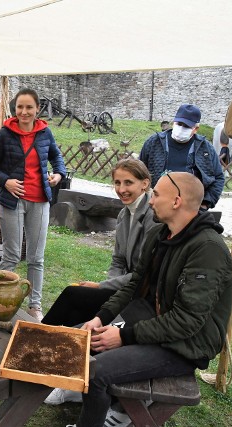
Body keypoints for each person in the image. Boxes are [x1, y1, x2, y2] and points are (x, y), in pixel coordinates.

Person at [67, 172, 232, 427]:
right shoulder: (160, 234)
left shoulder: (208, 249)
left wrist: (123, 336)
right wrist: (101, 317)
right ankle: (106, 404)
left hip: (184, 345)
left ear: (176, 201)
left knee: (95, 370)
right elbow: (133, 286)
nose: (151, 200)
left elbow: (187, 322)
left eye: (155, 194)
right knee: (77, 340)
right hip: (151, 321)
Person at [42, 158, 156, 405]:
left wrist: (103, 288)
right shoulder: (125, 213)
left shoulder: (152, 216)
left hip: (142, 294)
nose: (122, 188)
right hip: (125, 288)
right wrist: (107, 289)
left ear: (145, 184)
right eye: (117, 182)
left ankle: (39, 348)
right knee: (77, 299)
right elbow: (117, 261)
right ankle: (65, 372)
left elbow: (143, 275)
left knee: (76, 297)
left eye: (129, 182)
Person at [0, 88, 67, 321]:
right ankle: (1, 299)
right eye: (20, 107)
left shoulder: (45, 133)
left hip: (40, 201)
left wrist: (58, 174)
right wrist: (6, 181)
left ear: (37, 109)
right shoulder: (4, 134)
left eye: (29, 107)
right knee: (11, 255)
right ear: (15, 109)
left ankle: (35, 305)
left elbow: (57, 157)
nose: (24, 111)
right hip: (12, 202)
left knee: (36, 257)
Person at [140, 104, 224, 211]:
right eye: (179, 124)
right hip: (155, 205)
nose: (181, 128)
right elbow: (139, 172)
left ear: (195, 129)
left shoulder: (206, 148)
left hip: (189, 210)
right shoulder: (154, 142)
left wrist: (206, 203)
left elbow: (218, 178)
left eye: (186, 126)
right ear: (174, 122)